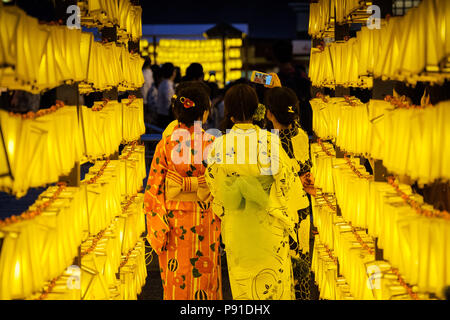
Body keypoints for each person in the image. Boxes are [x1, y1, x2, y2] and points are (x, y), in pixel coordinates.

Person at [205, 84, 299, 300]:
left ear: (229, 112)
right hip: (269, 222)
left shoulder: (219, 145)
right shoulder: (269, 140)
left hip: (239, 225)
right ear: (257, 108)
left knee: (244, 288)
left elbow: (215, 188)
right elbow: (286, 182)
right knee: (275, 287)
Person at [144, 83, 222, 300]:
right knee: (206, 281)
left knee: (176, 279)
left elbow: (153, 190)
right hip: (206, 221)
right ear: (205, 112)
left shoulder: (166, 145)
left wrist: (158, 228)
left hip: (174, 224)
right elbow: (222, 186)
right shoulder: (213, 144)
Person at [265, 84, 316, 300]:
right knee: (301, 263)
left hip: (280, 211)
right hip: (302, 210)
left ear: (268, 113)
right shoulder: (302, 135)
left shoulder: (269, 143)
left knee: (281, 266)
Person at [272, 40, 314, 137]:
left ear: (275, 58)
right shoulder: (302, 76)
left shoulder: (277, 80)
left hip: (284, 128)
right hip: (305, 125)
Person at [156, 62, 176, 128]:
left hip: (162, 115)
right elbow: (169, 103)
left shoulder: (163, 84)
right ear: (173, 73)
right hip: (166, 117)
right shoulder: (167, 86)